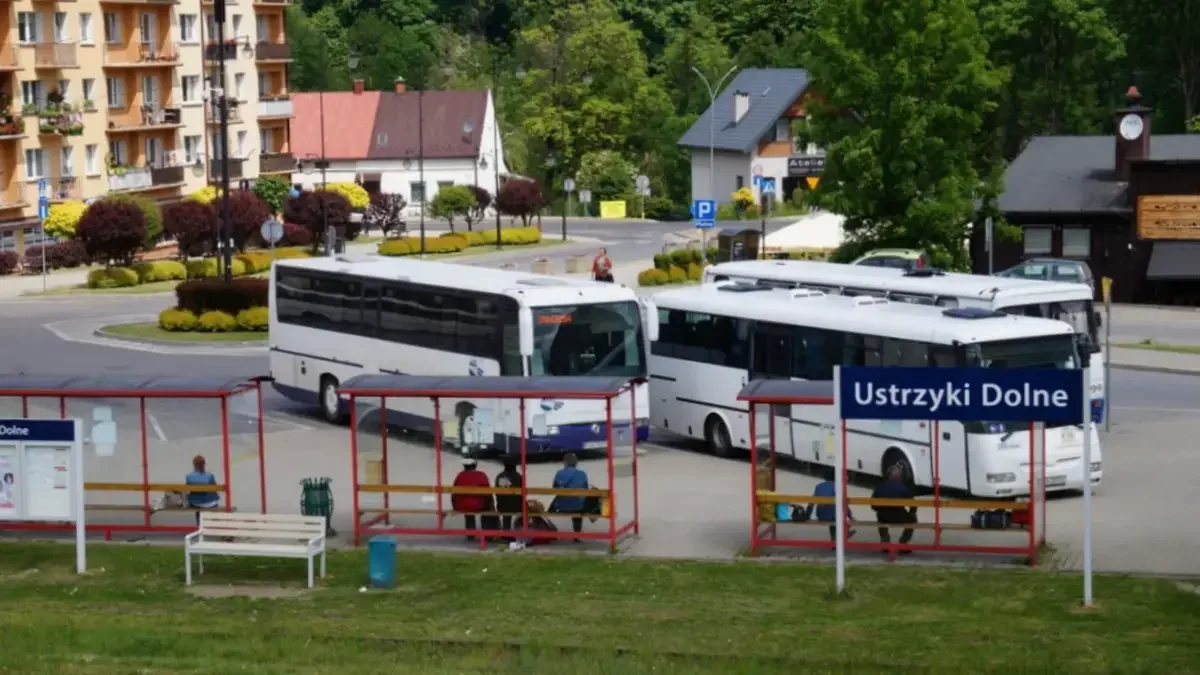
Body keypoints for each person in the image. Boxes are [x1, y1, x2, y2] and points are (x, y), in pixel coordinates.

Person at [871, 465, 918, 554]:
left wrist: (880, 510)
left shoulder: (880, 487)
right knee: (913, 519)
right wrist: (912, 512)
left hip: (884, 517)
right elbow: (913, 504)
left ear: (889, 476)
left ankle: (885, 542)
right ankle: (903, 543)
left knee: (879, 516)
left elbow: (873, 505)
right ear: (899, 477)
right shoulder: (903, 488)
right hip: (899, 517)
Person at [806, 467, 856, 542]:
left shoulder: (819, 486)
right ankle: (841, 535)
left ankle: (835, 538)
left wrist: (807, 515)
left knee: (833, 515)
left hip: (821, 516)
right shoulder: (838, 486)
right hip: (834, 515)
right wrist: (850, 516)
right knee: (837, 515)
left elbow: (811, 503)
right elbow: (844, 504)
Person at [451, 458, 492, 541]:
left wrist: (454, 505)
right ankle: (486, 534)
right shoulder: (481, 475)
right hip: (479, 505)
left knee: (468, 510)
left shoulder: (460, 476)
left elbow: (454, 492)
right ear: (475, 465)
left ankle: (470, 533)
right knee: (486, 510)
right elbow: (488, 492)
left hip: (462, 505)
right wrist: (491, 504)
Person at [550, 453, 589, 539]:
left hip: (562, 507)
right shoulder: (582, 474)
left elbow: (554, 489)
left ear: (565, 462)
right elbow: (586, 489)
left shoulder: (559, 473)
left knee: (558, 500)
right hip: (578, 507)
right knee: (578, 503)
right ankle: (577, 535)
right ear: (576, 463)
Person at [185, 455, 220, 525]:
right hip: (210, 503)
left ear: (194, 464)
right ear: (204, 464)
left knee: (197, 503)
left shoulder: (189, 476)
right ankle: (214, 524)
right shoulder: (210, 475)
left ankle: (199, 525)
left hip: (195, 503)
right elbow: (215, 488)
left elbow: (188, 489)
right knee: (213, 499)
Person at [494, 457, 524, 536]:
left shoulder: (501, 476)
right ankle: (520, 531)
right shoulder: (518, 476)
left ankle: (506, 533)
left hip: (503, 506)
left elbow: (500, 492)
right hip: (518, 506)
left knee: (506, 512)